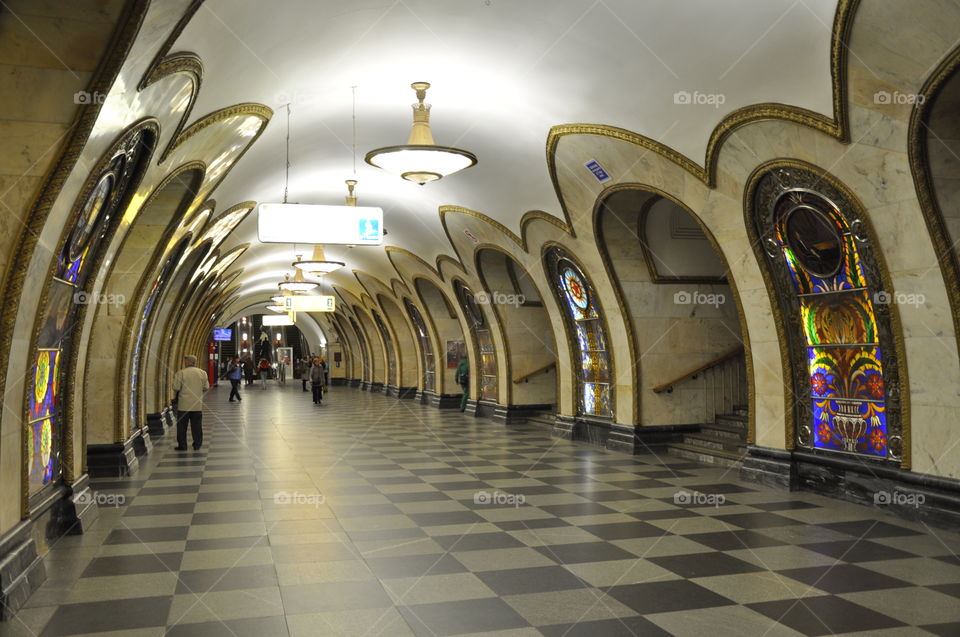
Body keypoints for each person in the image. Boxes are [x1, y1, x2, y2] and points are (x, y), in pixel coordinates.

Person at [172, 354, 209, 450]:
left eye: (185, 361)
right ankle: (197, 444)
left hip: (183, 405)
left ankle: (182, 445)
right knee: (196, 426)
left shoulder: (181, 373)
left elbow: (176, 387)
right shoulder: (202, 373)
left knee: (182, 427)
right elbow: (206, 387)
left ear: (188, 362)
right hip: (197, 405)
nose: (184, 362)